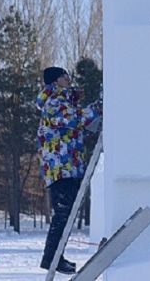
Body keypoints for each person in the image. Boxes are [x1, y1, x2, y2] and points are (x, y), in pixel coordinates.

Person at [36, 66, 102, 274]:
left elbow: (76, 126)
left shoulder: (64, 101)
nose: (69, 79)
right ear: (56, 81)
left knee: (67, 212)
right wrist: (100, 106)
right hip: (60, 168)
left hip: (69, 166)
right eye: (65, 76)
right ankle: (51, 257)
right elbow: (76, 120)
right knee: (63, 212)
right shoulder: (54, 102)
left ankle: (55, 256)